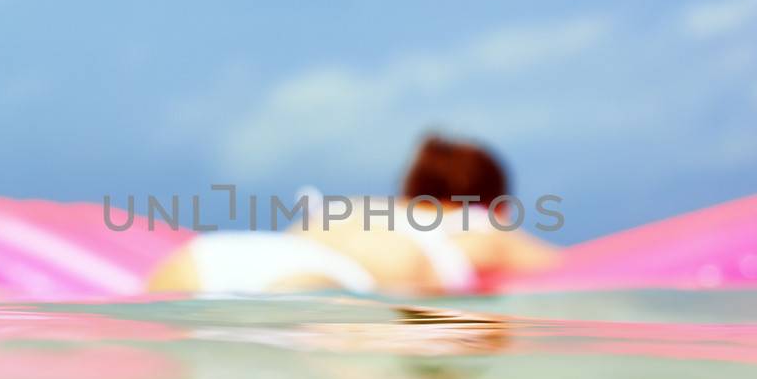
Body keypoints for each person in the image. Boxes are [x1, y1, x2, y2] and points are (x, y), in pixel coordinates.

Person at [147, 133, 562, 296]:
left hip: (209, 259)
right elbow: (569, 271)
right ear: (498, 205)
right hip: (315, 287)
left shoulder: (360, 210)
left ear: (410, 190)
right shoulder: (479, 226)